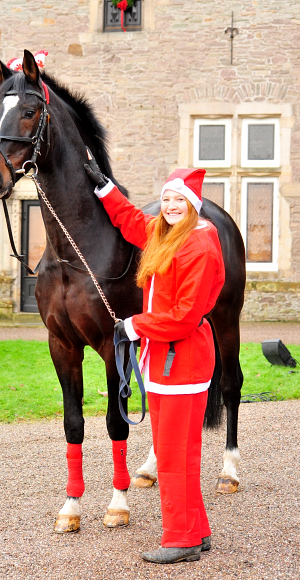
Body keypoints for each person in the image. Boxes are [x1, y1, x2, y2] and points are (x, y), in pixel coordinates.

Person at [84, 151, 225, 564]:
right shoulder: (169, 234)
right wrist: (105, 187)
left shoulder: (198, 246)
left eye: (178, 200)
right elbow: (132, 223)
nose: (170, 206)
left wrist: (134, 326)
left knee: (174, 455)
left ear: (193, 204)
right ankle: (196, 531)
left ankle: (180, 540)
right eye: (166, 199)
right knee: (180, 453)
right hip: (169, 363)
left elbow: (182, 317)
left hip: (181, 362)